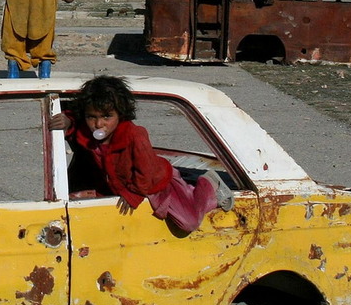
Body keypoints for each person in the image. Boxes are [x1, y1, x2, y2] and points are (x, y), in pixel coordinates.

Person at [54, 75, 234, 232]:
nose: (99, 124)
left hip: (158, 183)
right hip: (125, 185)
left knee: (189, 221)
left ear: (120, 114)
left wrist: (133, 194)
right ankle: (199, 196)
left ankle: (208, 185)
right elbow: (76, 128)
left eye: (107, 117)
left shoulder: (134, 135)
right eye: (92, 117)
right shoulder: (89, 134)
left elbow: (146, 173)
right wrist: (69, 122)